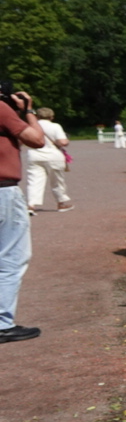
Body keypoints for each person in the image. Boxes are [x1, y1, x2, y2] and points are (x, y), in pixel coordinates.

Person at [0, 88, 46, 342]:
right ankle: (2, 323)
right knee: (10, 257)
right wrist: (27, 111)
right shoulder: (1, 108)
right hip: (2, 191)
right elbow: (37, 140)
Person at [26, 108, 71, 213]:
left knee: (34, 181)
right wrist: (67, 140)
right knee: (57, 181)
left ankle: (31, 205)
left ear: (37, 116)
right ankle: (61, 203)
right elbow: (63, 142)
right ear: (51, 117)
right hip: (53, 156)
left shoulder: (31, 126)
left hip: (35, 155)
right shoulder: (55, 126)